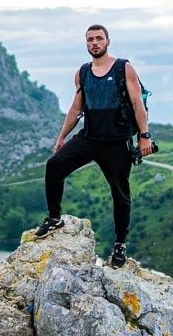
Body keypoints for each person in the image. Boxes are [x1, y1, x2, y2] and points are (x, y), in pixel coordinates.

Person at [32, 24, 154, 267]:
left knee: (120, 193)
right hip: (89, 138)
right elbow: (77, 108)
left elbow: (137, 103)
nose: (95, 43)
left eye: (99, 38)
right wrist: (61, 137)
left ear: (108, 41)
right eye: (90, 39)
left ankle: (120, 245)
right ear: (86, 44)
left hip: (116, 142)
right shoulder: (83, 72)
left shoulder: (124, 68)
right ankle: (54, 218)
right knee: (54, 165)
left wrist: (144, 135)